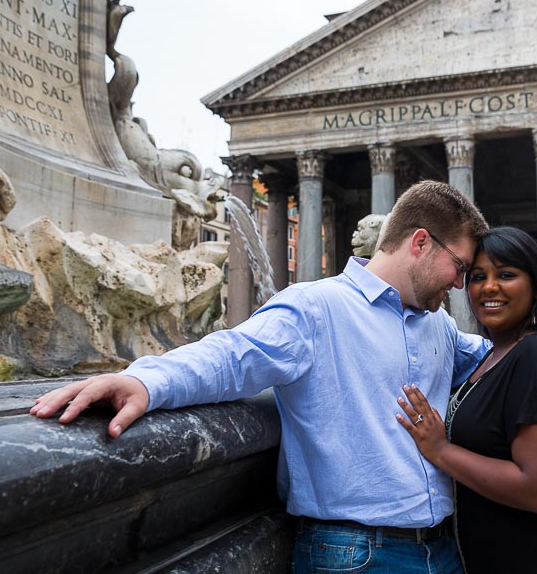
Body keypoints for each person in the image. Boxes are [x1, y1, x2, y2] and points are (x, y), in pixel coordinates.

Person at [31, 180, 491, 573]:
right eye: (461, 267)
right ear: (421, 242)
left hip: (441, 547)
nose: (459, 284)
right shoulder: (316, 307)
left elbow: (497, 362)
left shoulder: (440, 326)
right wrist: (144, 381)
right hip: (356, 554)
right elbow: (232, 355)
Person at [396, 226, 537, 573]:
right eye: (478, 276)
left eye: (507, 275)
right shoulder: (498, 353)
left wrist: (441, 451)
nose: (489, 287)